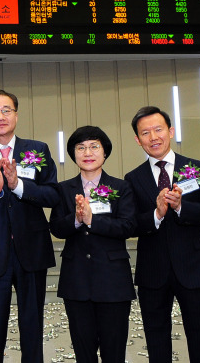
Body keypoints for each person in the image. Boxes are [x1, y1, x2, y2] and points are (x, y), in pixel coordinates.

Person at [0, 90, 58, 363]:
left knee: (32, 325)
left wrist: (18, 186)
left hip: (32, 250)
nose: (0, 116)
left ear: (16, 114)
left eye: (6, 110)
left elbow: (52, 196)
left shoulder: (36, 150)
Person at [125, 106, 200, 363]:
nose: (153, 137)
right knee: (156, 339)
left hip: (194, 268)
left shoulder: (196, 168)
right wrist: (156, 213)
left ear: (170, 131)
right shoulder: (132, 179)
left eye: (158, 130)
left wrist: (181, 207)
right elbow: (130, 224)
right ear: (138, 139)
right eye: (145, 133)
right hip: (152, 272)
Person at [49, 126, 136, 363]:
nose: (87, 152)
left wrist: (91, 219)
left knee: (114, 352)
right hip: (76, 281)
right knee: (83, 352)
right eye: (81, 147)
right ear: (74, 155)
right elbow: (55, 226)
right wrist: (76, 219)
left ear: (104, 152)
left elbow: (128, 227)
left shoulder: (121, 187)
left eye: (94, 146)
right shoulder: (64, 189)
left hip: (113, 283)